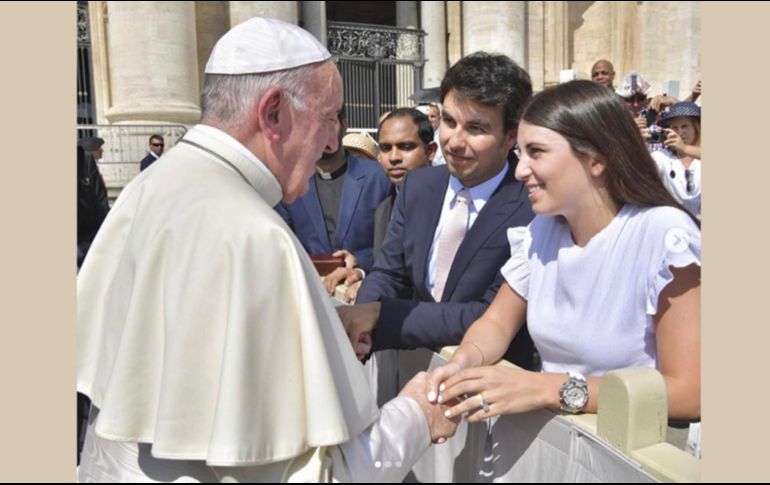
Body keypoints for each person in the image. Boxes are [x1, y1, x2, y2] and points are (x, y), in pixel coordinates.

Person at [77, 17, 457, 483]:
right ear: (273, 112)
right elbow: (319, 477)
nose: (333, 140)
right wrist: (417, 414)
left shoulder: (151, 186)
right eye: (327, 117)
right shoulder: (256, 236)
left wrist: (315, 331)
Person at [426, 80, 700, 426]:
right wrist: (461, 366)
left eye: (536, 152)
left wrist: (550, 388)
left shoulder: (665, 235)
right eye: (521, 153)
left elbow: (689, 393)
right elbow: (496, 323)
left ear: (596, 160)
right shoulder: (542, 230)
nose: (521, 169)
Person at [339, 52, 537, 370]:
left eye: (475, 128)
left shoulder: (533, 206)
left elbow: (488, 312)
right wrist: (360, 321)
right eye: (449, 121)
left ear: (511, 135)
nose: (454, 142)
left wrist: (380, 316)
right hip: (410, 375)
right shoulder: (419, 186)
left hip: (491, 393)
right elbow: (390, 272)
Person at [324, 108, 437, 303]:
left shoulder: (453, 203)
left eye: (406, 146)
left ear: (431, 151)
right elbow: (390, 264)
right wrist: (361, 271)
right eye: (385, 148)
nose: (394, 157)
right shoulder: (385, 209)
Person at [275, 104, 392, 274]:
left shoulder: (378, 178)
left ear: (344, 125)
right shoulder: (290, 184)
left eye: (328, 124)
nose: (320, 135)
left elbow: (391, 246)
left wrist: (359, 262)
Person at [652, 101, 702, 218]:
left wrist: (684, 148)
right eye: (675, 127)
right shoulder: (661, 156)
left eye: (685, 126)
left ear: (696, 127)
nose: (680, 132)